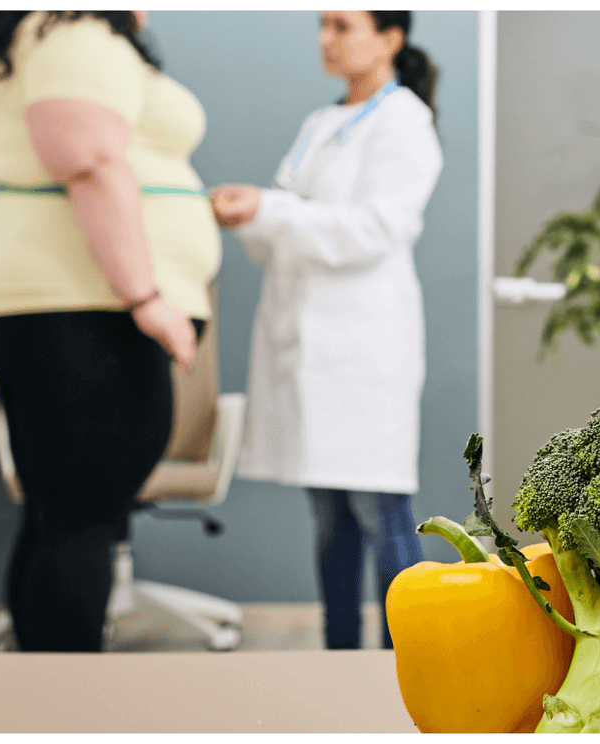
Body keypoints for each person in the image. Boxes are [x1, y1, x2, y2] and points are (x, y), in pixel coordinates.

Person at [0, 10, 221, 651]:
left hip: (60, 307)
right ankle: (70, 713)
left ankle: (41, 708)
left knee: (60, 517)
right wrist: (145, 297)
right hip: (83, 309)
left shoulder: (43, 37)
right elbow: (88, 160)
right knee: (82, 520)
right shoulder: (73, 34)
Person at [211, 10, 442, 650]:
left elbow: (373, 230)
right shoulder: (321, 125)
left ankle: (407, 663)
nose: (326, 39)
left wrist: (272, 210)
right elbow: (289, 229)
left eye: (343, 26)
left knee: (379, 509)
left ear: (391, 38)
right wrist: (253, 215)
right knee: (329, 517)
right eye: (322, 25)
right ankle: (339, 658)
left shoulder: (404, 121)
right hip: (310, 342)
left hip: (361, 344)